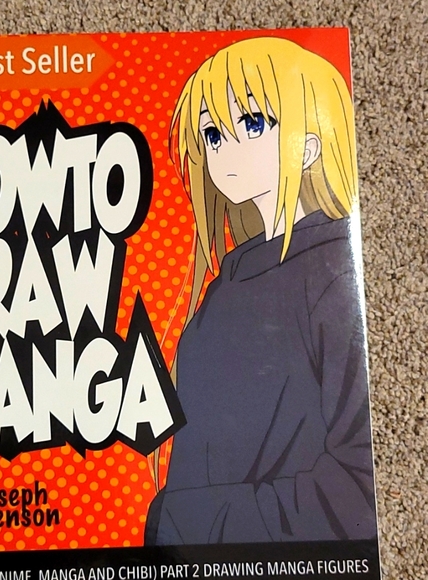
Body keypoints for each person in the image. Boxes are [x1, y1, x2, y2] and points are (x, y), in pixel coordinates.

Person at [145, 37, 378, 545]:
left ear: (309, 145)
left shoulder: (330, 277)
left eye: (252, 124)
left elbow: (360, 484)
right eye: (212, 132)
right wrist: (169, 524)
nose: (224, 147)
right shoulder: (222, 289)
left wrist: (187, 519)